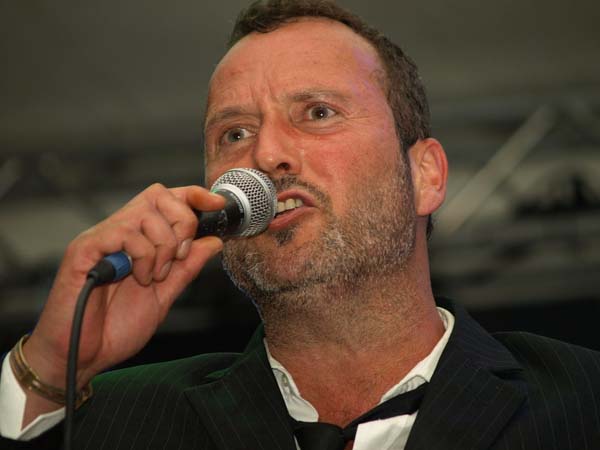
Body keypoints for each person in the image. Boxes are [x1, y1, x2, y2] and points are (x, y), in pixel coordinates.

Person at [1, 1, 600, 449]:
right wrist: (50, 371)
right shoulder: (119, 422)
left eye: (317, 112)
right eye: (234, 133)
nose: (265, 155)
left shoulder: (582, 401)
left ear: (425, 176)